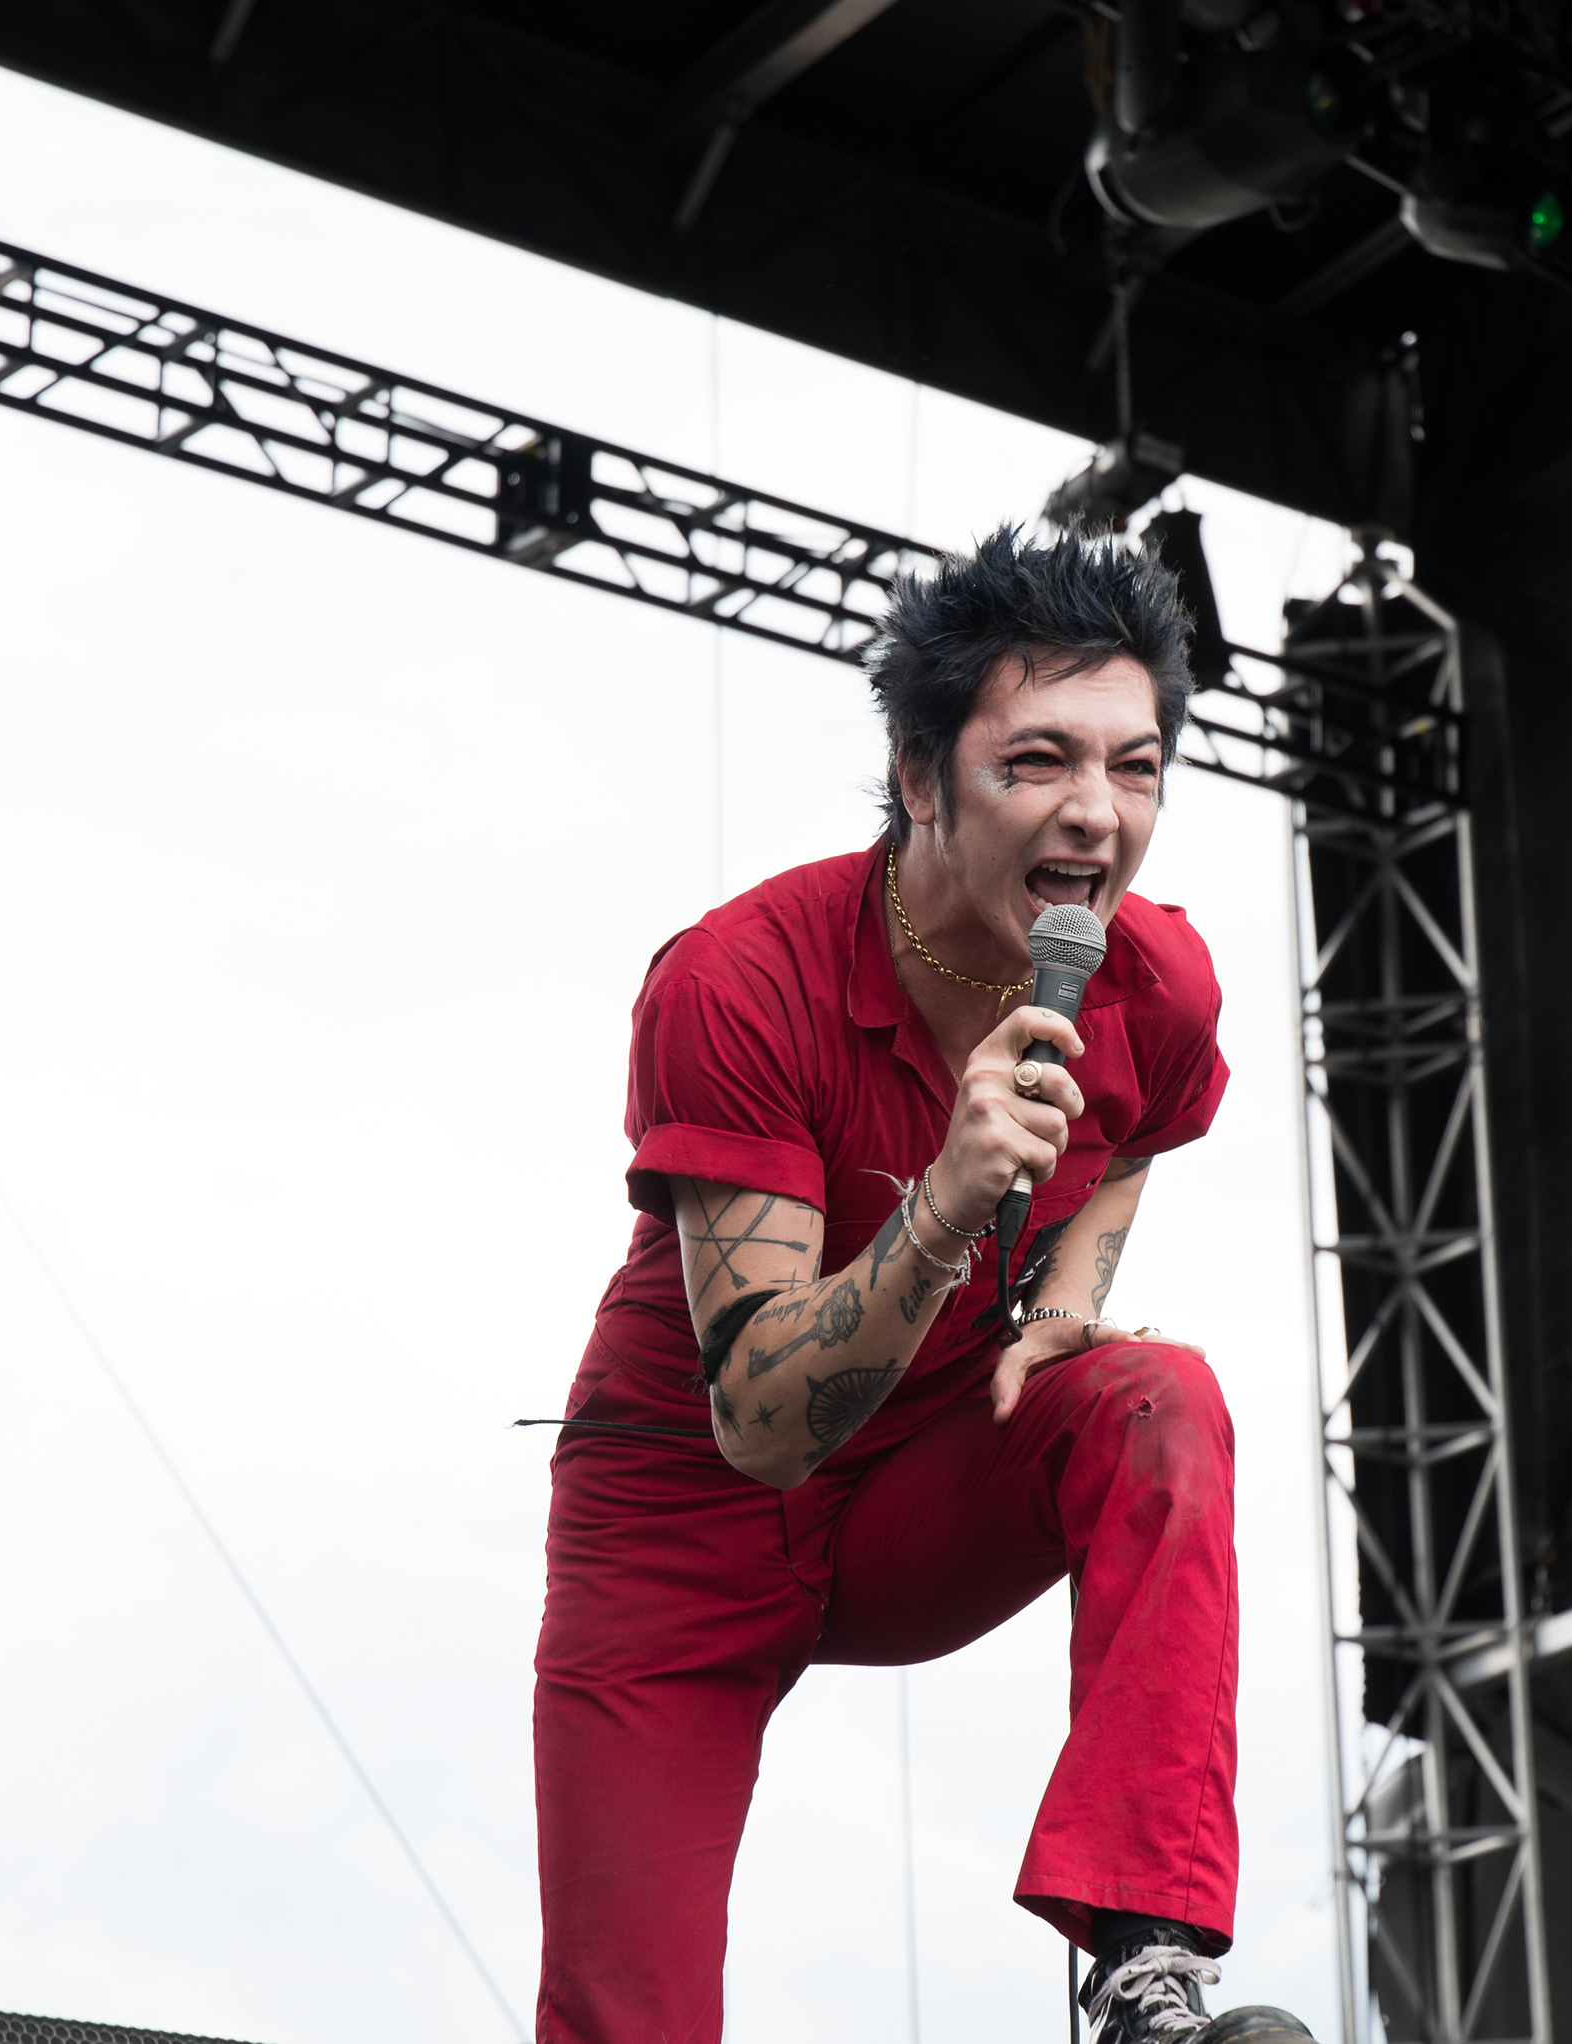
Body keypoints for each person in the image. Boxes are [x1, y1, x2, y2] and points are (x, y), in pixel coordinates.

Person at [532, 524, 1312, 2044]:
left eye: (1137, 767)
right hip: (682, 1527)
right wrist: (952, 1197)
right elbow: (763, 1423)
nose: (1097, 814)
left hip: (922, 1490)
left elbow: (1142, 1130)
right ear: (916, 775)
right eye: (1038, 762)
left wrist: (1073, 1289)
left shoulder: (1155, 981)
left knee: (1163, 1397)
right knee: (628, 2019)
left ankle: (1147, 1966)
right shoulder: (738, 978)